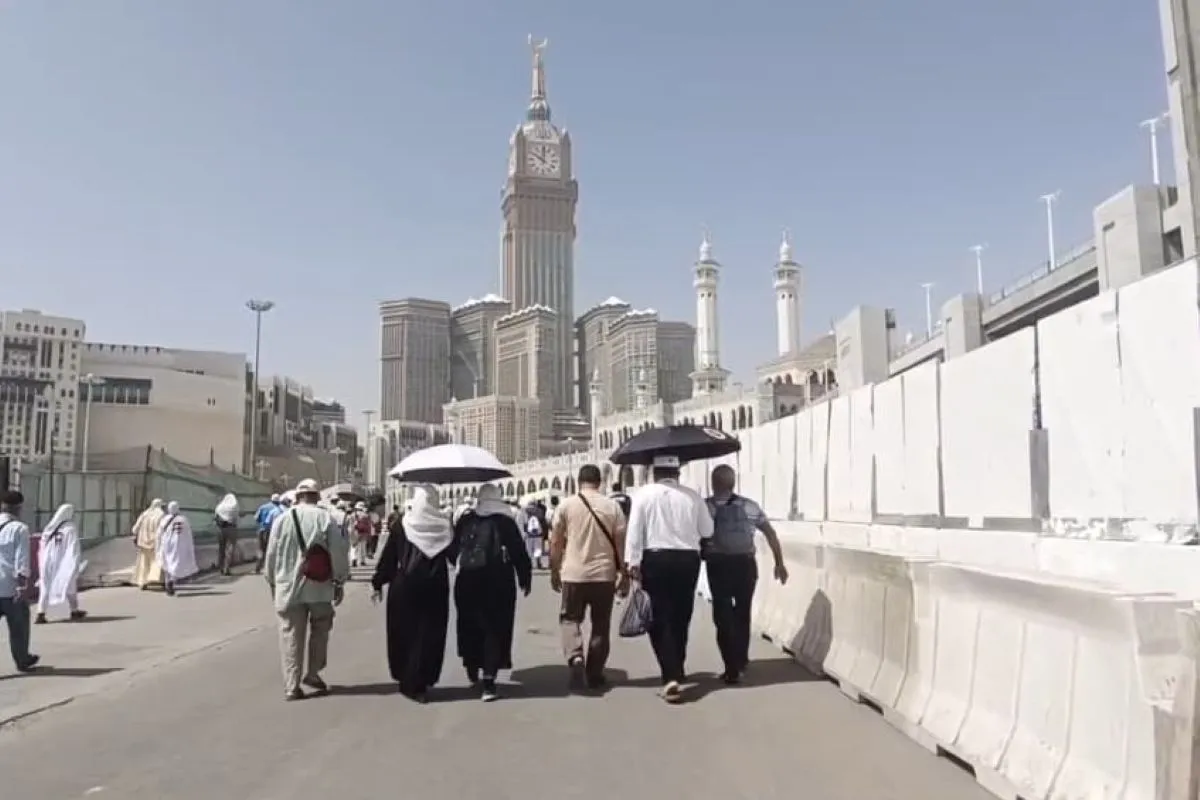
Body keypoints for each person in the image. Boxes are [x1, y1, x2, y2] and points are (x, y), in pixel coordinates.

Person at [625, 454, 714, 703]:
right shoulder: (693, 496)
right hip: (687, 560)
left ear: (655, 472)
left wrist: (633, 562)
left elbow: (635, 532)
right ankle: (678, 665)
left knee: (658, 617)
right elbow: (708, 530)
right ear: (677, 473)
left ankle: (670, 674)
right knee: (681, 615)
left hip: (656, 558)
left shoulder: (643, 495)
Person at [264, 478, 350, 701]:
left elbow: (271, 553)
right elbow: (338, 552)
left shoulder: (282, 520)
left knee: (290, 634)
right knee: (321, 628)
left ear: (297, 496)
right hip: (319, 585)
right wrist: (339, 580)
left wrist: (272, 580)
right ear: (317, 496)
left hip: (287, 586)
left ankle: (291, 686)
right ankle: (313, 673)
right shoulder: (325, 518)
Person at [370, 485, 456, 701]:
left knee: (405, 634)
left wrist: (378, 582)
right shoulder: (443, 525)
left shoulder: (403, 524)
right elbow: (455, 556)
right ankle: (422, 681)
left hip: (405, 586)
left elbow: (390, 557)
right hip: (435, 586)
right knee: (429, 634)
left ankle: (407, 679)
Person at [705, 464, 789, 684]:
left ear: (713, 483)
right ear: (733, 483)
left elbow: (695, 537)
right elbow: (770, 533)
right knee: (743, 613)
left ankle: (730, 666)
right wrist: (779, 563)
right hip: (745, 564)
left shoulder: (706, 507)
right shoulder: (750, 506)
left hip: (718, 565)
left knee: (722, 615)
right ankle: (741, 659)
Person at [549, 464, 628, 690]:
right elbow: (621, 543)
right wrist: (623, 572)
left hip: (574, 574)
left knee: (570, 619)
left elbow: (556, 541)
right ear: (599, 482)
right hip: (604, 575)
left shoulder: (566, 505)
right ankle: (594, 673)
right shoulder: (612, 506)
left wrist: (554, 569)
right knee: (601, 624)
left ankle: (575, 656)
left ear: (578, 482)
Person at [453, 483, 532, 702]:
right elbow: (518, 552)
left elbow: (452, 550)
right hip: (498, 582)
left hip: (467, 580)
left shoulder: (466, 520)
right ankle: (489, 680)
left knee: (470, 624)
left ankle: (471, 663)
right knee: (494, 629)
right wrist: (525, 578)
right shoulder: (505, 522)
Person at [0, 490, 39, 673]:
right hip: (10, 586)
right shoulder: (19, 528)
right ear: (19, 507)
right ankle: (22, 659)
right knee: (19, 626)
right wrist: (23, 585)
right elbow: (21, 559)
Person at [35, 503, 87, 624]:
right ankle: (74, 611)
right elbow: (73, 547)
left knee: (45, 586)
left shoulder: (50, 528)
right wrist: (74, 562)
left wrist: (41, 561)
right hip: (63, 560)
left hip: (47, 560)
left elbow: (42, 544)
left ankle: (40, 613)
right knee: (70, 584)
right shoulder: (70, 528)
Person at [155, 501, 199, 597]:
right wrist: (188, 546)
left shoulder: (164, 519)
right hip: (179, 546)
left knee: (167, 564)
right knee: (176, 563)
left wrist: (158, 545)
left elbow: (159, 534)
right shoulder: (183, 520)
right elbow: (188, 534)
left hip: (166, 545)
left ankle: (168, 583)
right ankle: (172, 580)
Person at [131, 498, 166, 589]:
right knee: (157, 561)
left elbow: (135, 528)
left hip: (143, 542)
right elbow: (163, 529)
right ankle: (159, 580)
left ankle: (143, 582)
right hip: (155, 542)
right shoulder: (161, 515)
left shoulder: (145, 514)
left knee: (144, 563)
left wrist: (136, 534)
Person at [254, 494, 283, 574]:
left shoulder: (262, 507)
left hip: (261, 530)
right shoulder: (279, 509)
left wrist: (262, 523)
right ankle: (268, 568)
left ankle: (258, 567)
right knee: (271, 549)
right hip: (272, 531)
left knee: (261, 549)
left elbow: (256, 518)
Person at [214, 493, 240, 576]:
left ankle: (220, 568)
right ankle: (226, 568)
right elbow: (236, 518)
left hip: (220, 529)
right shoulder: (235, 506)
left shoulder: (220, 507)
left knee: (221, 548)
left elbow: (216, 517)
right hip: (231, 528)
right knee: (230, 549)